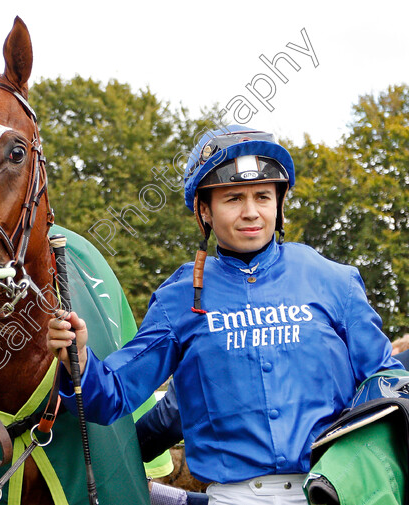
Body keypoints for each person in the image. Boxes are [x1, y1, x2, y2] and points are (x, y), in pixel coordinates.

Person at [47, 126, 402, 504]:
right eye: (233, 198)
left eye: (263, 196)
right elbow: (111, 396)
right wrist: (80, 358)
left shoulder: (335, 280)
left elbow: (388, 381)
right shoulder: (178, 298)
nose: (251, 212)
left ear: (279, 205)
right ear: (204, 210)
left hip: (334, 492)